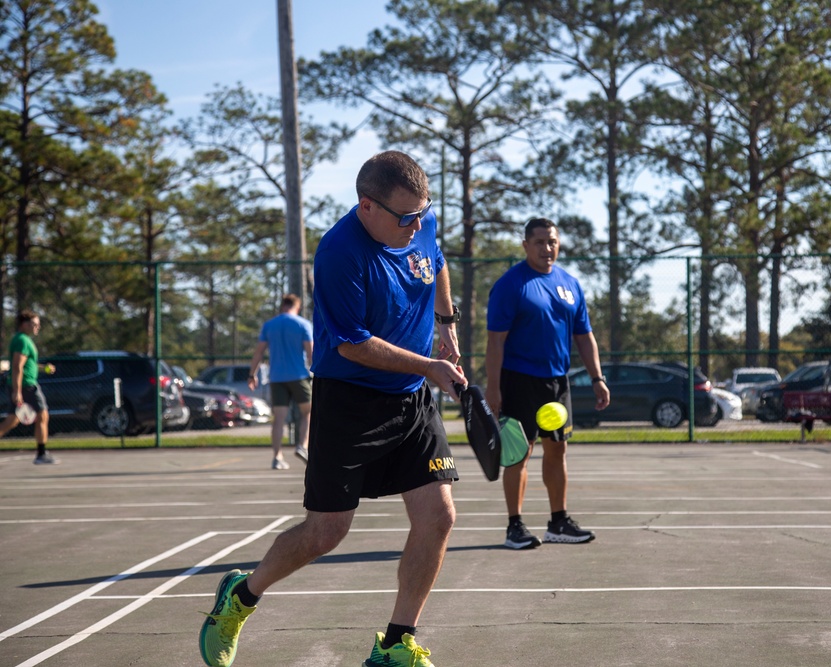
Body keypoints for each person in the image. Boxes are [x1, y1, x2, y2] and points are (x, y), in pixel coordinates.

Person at [199, 151, 465, 667]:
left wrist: (446, 323)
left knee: (438, 515)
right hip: (351, 402)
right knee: (327, 532)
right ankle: (241, 596)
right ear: (367, 206)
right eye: (404, 217)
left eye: (423, 212)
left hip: (412, 399)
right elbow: (353, 344)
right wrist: (431, 366)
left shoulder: (420, 220)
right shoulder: (340, 253)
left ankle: (394, 644)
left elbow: (439, 262)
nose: (417, 225)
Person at [485, 218, 610, 550]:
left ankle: (558, 522)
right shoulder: (511, 285)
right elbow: (495, 341)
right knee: (518, 455)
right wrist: (493, 388)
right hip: (519, 381)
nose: (547, 248)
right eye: (539, 242)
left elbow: (584, 337)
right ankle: (515, 527)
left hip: (557, 383)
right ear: (525, 245)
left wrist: (597, 377)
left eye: (552, 241)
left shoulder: (570, 283)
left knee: (558, 450)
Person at [248, 293, 313, 470]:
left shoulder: (269, 325)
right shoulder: (303, 324)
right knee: (308, 412)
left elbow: (259, 352)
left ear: (282, 306)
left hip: (276, 377)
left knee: (279, 418)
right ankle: (302, 445)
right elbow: (310, 353)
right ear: (297, 307)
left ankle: (277, 457)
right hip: (299, 376)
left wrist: (252, 374)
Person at [0, 310, 57, 464]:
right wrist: (17, 391)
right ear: (24, 324)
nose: (37, 327)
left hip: (24, 384)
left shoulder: (22, 339)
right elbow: (18, 366)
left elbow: (27, 364)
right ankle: (41, 454)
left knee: (12, 420)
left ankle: (41, 453)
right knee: (43, 415)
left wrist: (43, 368)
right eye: (34, 324)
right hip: (27, 386)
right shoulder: (22, 341)